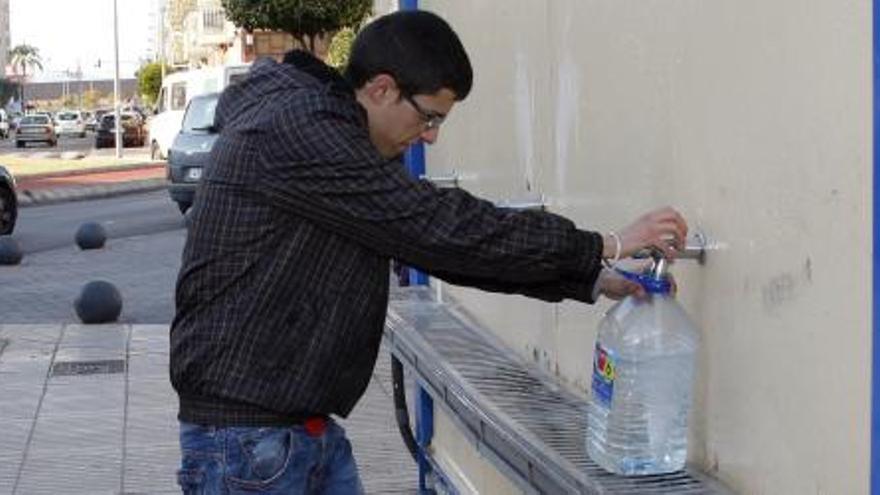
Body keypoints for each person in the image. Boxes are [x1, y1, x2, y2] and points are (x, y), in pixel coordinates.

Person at [170, 9, 688, 495]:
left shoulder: (331, 134)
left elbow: (443, 248)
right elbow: (441, 227)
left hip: (294, 433)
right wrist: (605, 243)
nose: (432, 137)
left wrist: (592, 276)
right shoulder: (303, 134)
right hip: (247, 447)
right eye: (430, 117)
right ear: (381, 89)